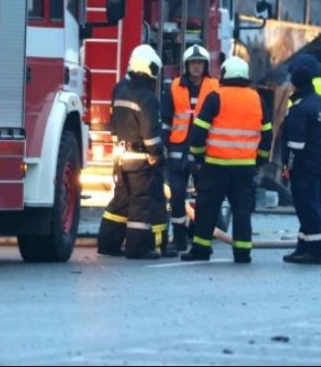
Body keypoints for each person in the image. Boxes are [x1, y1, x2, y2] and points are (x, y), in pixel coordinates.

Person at [181, 56, 272, 263]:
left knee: (206, 209)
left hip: (215, 166)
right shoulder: (257, 98)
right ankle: (242, 252)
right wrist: (260, 160)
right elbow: (267, 133)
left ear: (225, 75)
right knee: (242, 210)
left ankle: (201, 250)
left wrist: (199, 157)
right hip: (245, 168)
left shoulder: (215, 97)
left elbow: (199, 132)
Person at [97, 44, 175, 260]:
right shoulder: (147, 98)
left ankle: (107, 243)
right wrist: (157, 155)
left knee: (120, 202)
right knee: (141, 203)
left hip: (122, 157)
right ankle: (137, 248)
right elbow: (150, 133)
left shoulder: (119, 89)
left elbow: (114, 122)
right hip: (142, 160)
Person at [160, 44, 219, 252]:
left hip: (204, 150)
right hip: (178, 149)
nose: (196, 67)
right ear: (186, 65)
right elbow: (166, 121)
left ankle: (201, 239)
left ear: (205, 65)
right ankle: (179, 239)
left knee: (204, 197)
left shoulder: (215, 87)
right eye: (193, 63)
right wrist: (162, 145)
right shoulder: (174, 87)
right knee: (176, 195)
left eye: (200, 63)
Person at [281, 54, 321, 265]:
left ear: (295, 84)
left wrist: (288, 168)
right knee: (315, 206)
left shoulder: (300, 109)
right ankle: (303, 246)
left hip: (305, 168)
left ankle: (316, 251)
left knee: (307, 208)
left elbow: (295, 145)